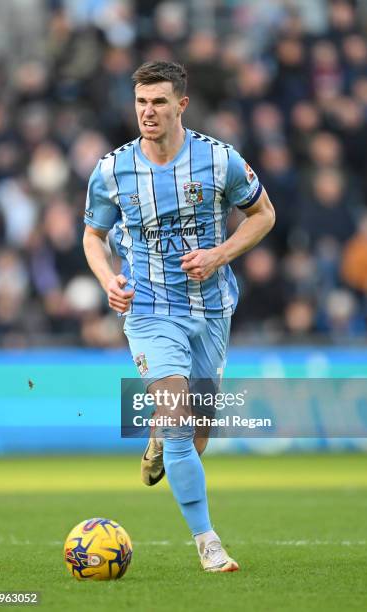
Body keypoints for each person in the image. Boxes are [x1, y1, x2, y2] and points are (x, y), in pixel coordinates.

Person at [83, 61, 275, 572]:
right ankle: (208, 543)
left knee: (199, 431)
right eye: (142, 102)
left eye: (160, 102)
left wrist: (219, 254)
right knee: (176, 421)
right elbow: (93, 237)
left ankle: (160, 440)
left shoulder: (218, 161)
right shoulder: (111, 170)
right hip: (147, 310)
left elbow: (264, 215)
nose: (149, 112)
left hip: (210, 308)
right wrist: (108, 281)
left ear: (181, 105)